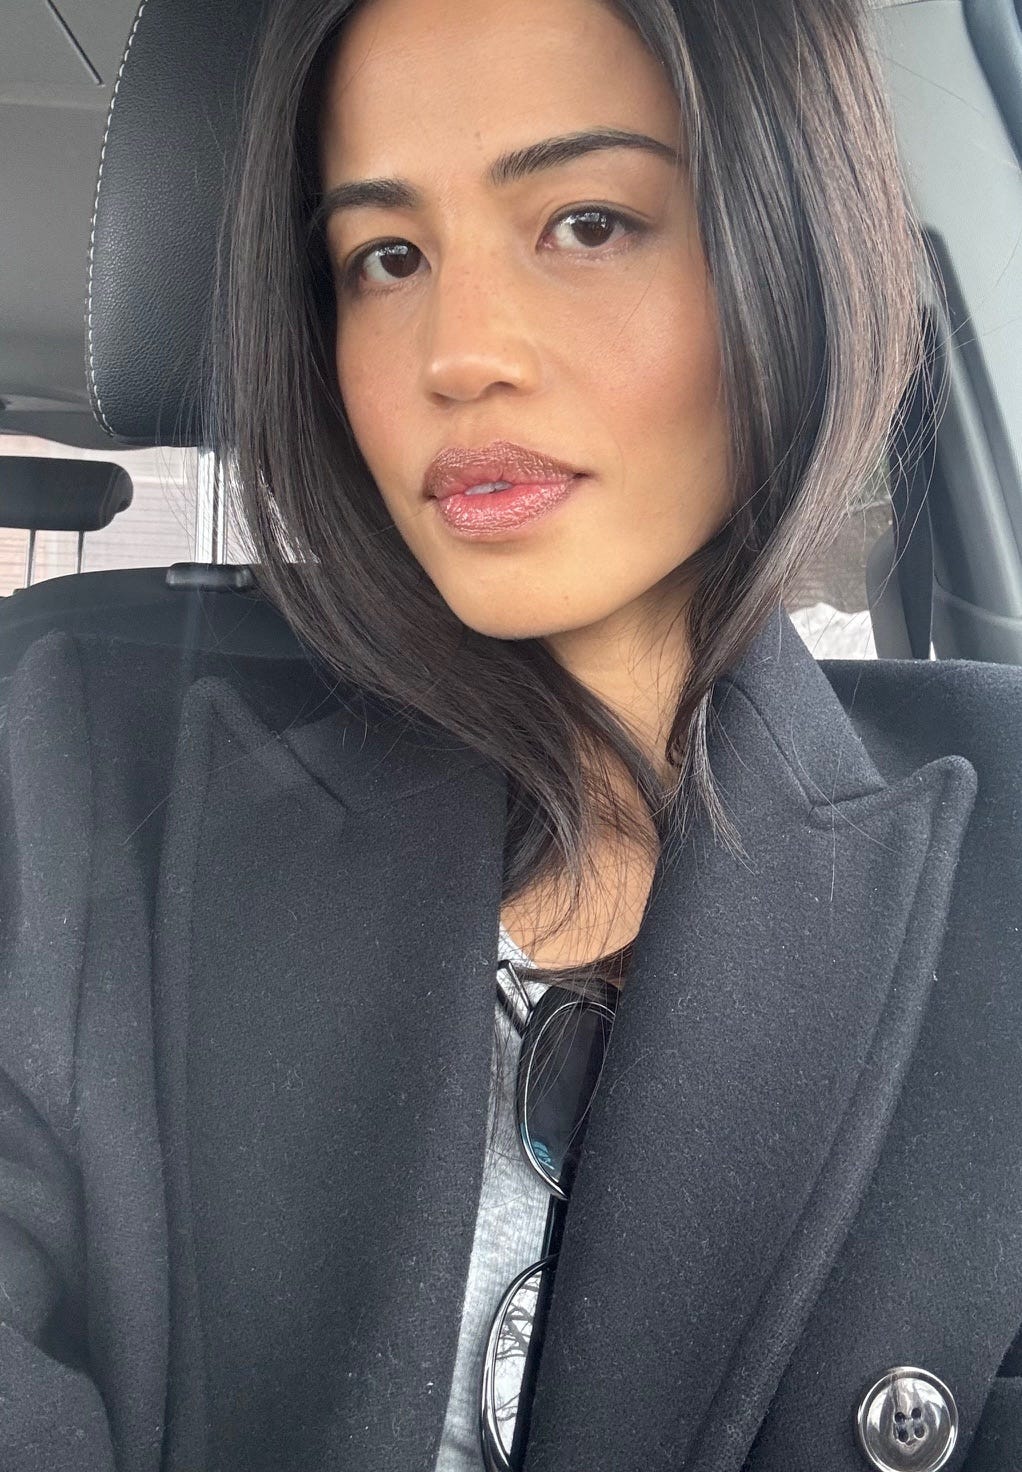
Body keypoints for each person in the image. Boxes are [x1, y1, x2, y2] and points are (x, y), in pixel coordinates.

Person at [3, 0, 1022, 1469]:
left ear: (789, 252)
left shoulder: (1001, 858)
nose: (458, 354)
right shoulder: (65, 779)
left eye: (588, 224)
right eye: (386, 257)